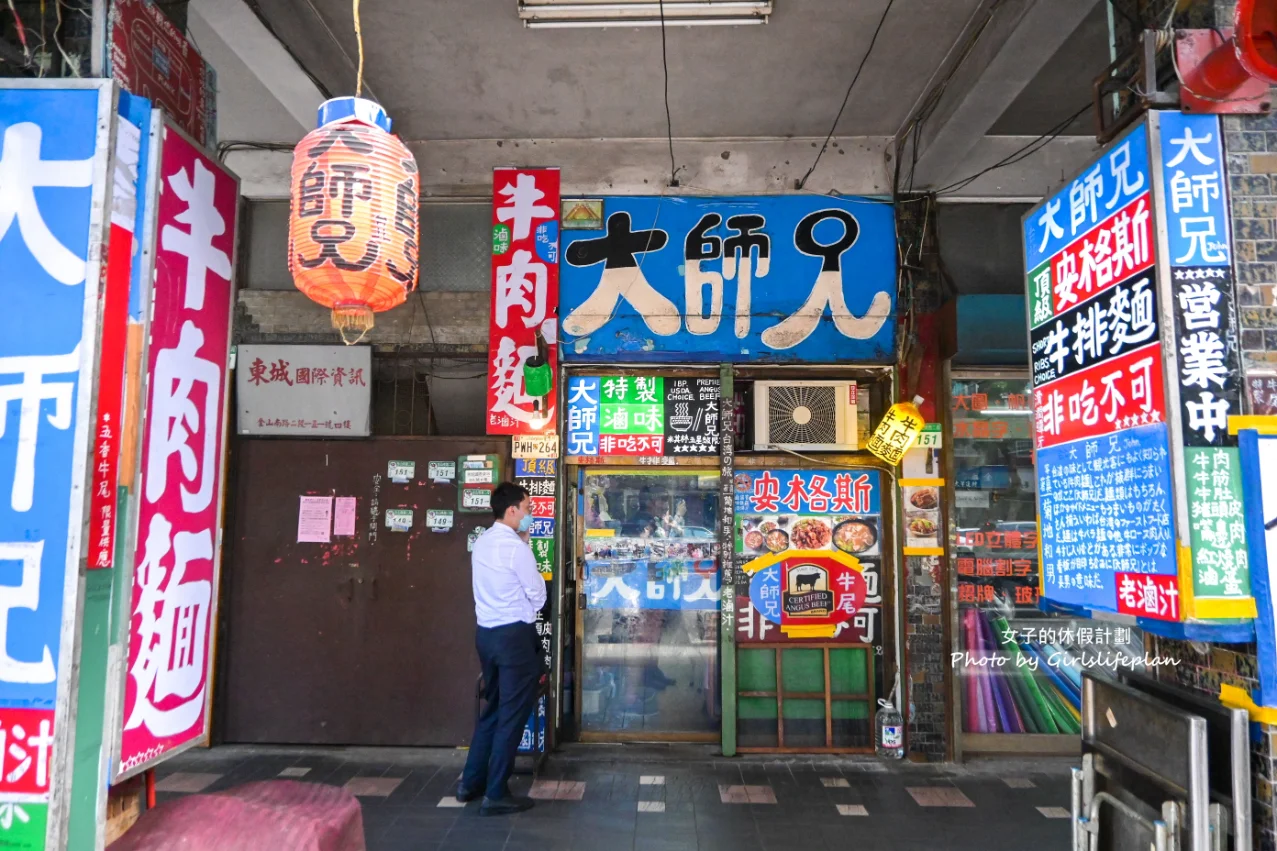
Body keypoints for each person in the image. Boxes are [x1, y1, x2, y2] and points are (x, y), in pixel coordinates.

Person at [457, 482, 546, 815]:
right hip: (514, 639)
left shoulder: (482, 542)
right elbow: (538, 595)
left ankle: (471, 782)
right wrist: (525, 548)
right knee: (512, 714)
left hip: (487, 636)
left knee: (493, 709)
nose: (530, 513)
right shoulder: (515, 548)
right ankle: (496, 792)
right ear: (512, 510)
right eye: (528, 508)